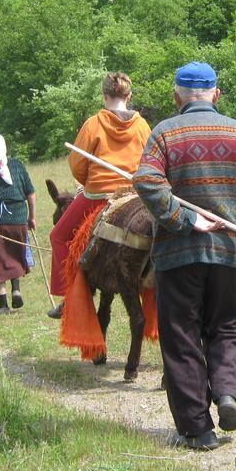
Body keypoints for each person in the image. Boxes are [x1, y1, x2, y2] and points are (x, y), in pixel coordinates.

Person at [133, 61, 236, 451]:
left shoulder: (164, 133)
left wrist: (183, 219)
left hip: (176, 255)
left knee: (182, 336)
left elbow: (145, 181)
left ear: (176, 96)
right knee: (225, 326)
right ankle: (228, 395)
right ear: (216, 94)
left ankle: (197, 430)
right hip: (229, 255)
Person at [48, 72, 152, 318]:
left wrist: (87, 183)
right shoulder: (142, 126)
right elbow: (150, 161)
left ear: (105, 95)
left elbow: (77, 164)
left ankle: (69, 297)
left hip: (97, 196)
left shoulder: (93, 124)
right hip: (134, 197)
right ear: (129, 95)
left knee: (59, 236)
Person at [0, 133, 37, 314]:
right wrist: (32, 217)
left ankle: (3, 304)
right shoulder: (17, 165)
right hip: (19, 219)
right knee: (16, 254)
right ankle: (16, 289)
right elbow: (31, 193)